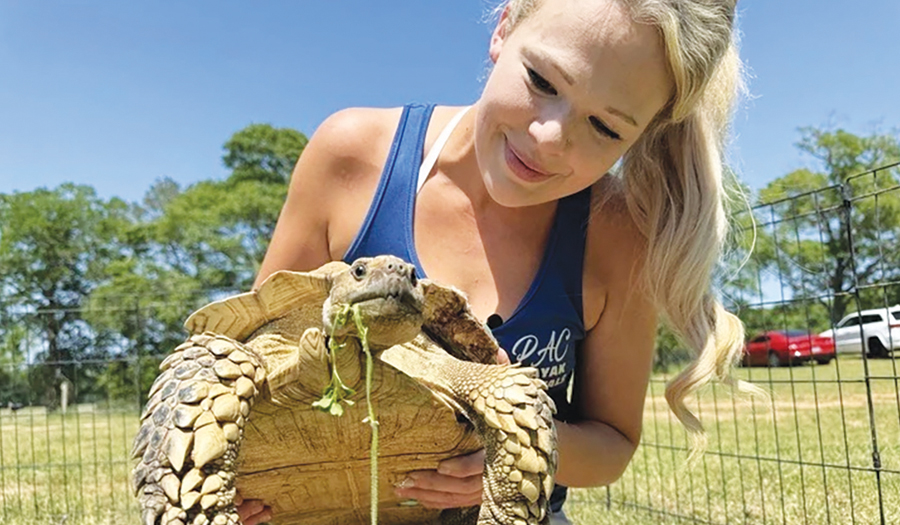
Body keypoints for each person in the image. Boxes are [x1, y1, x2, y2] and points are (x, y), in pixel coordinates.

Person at [238, 0, 747, 523]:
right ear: (505, 27)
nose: (549, 138)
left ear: (645, 133)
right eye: (543, 81)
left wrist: (516, 443)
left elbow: (611, 444)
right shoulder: (353, 157)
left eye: (606, 128)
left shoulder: (618, 235)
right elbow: (248, 358)